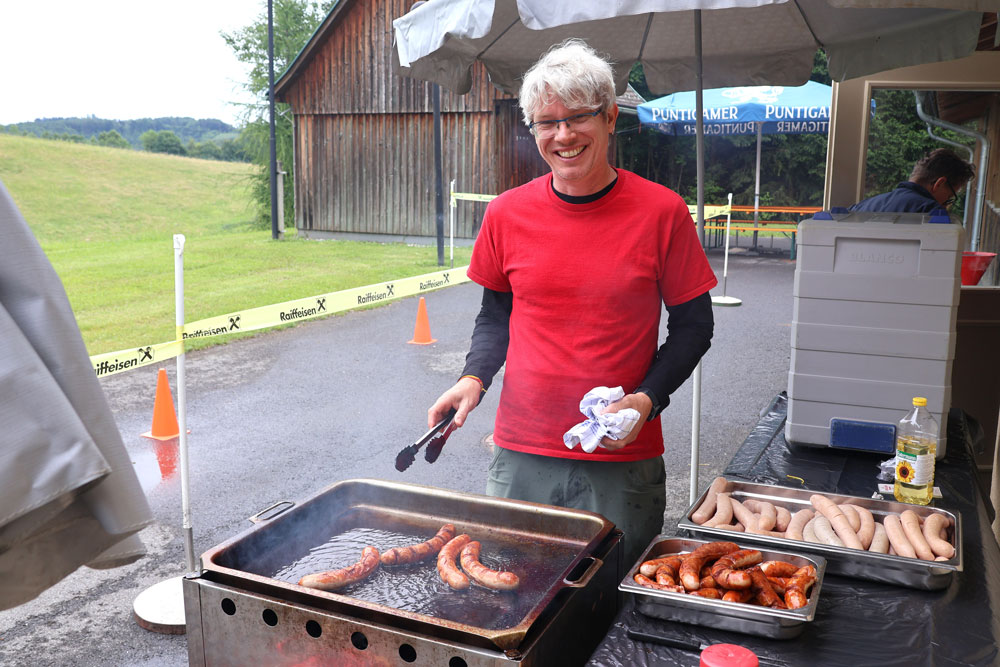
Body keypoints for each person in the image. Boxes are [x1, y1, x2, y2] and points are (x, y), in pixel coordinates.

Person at [427, 39, 717, 566]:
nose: (562, 135)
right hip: (522, 453)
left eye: (576, 118)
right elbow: (497, 315)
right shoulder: (507, 214)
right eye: (546, 122)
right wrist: (474, 378)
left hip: (621, 456)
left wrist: (646, 399)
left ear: (610, 118)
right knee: (514, 595)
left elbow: (695, 327)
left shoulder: (662, 213)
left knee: (613, 609)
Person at [850, 148, 974, 213]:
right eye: (949, 197)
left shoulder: (862, 207)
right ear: (939, 184)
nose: (946, 204)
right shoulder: (932, 212)